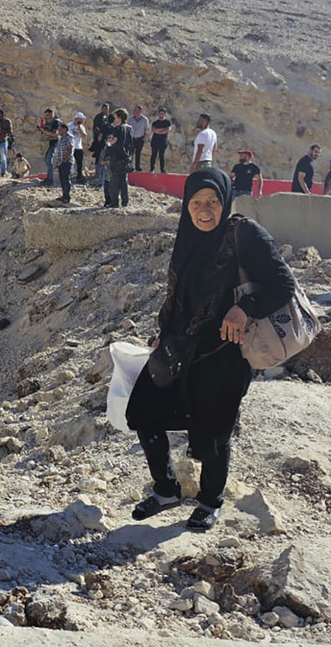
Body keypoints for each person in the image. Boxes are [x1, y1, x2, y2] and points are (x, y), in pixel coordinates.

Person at [125, 168, 294, 532]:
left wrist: (243, 309)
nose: (204, 210)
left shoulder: (243, 234)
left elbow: (283, 285)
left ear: (225, 201)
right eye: (196, 202)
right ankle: (167, 489)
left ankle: (209, 500)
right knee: (144, 410)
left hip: (225, 351)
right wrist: (163, 332)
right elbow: (178, 294)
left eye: (213, 202)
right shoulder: (187, 236)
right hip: (180, 344)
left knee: (214, 430)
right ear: (186, 206)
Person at [104, 107, 134, 208]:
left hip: (116, 157)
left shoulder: (118, 128)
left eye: (116, 117)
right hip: (126, 158)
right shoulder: (130, 128)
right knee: (123, 181)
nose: (115, 119)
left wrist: (108, 141)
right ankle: (125, 202)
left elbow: (114, 140)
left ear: (120, 118)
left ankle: (115, 202)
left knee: (114, 181)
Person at [38, 107, 64, 186]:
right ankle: (49, 177)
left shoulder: (56, 122)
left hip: (54, 142)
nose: (47, 117)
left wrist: (43, 131)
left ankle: (50, 179)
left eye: (48, 115)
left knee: (49, 160)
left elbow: (54, 133)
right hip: (47, 143)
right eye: (46, 115)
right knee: (47, 160)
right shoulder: (48, 122)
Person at [90, 102, 112, 178]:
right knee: (98, 156)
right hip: (99, 141)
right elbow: (95, 127)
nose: (106, 110)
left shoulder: (109, 118)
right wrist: (99, 134)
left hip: (107, 141)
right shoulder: (98, 117)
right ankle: (98, 174)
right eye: (104, 109)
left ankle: (103, 174)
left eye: (107, 109)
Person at [57, 120, 76, 203]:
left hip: (67, 161)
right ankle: (64, 195)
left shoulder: (69, 137)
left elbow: (70, 149)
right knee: (62, 179)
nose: (59, 131)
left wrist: (66, 159)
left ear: (65, 129)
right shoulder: (61, 138)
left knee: (66, 179)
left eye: (60, 129)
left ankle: (67, 197)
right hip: (61, 161)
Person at [150, 107, 171, 173]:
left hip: (163, 141)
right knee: (153, 155)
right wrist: (162, 130)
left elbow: (167, 130)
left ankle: (162, 169)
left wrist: (158, 131)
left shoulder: (167, 122)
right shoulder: (155, 122)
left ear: (164, 114)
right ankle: (151, 169)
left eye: (162, 113)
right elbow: (153, 130)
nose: (161, 115)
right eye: (160, 113)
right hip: (155, 141)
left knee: (161, 156)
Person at [129, 105, 150, 172]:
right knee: (130, 153)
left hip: (140, 138)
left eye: (138, 111)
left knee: (138, 153)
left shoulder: (144, 119)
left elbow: (146, 129)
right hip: (132, 138)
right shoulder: (130, 119)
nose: (136, 112)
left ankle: (137, 167)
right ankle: (130, 166)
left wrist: (144, 138)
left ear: (140, 111)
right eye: (135, 110)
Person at [69, 112, 88, 183]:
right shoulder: (69, 126)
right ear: (76, 119)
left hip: (79, 147)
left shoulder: (82, 127)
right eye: (80, 119)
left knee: (79, 163)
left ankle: (79, 177)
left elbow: (84, 136)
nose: (81, 121)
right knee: (71, 162)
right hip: (71, 147)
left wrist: (79, 129)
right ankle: (70, 176)